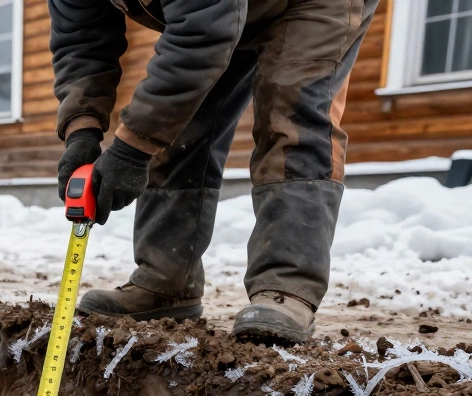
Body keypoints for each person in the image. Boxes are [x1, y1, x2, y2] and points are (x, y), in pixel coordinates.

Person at [50, 0, 379, 344]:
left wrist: (131, 150)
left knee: (293, 120)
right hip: (220, 13)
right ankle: (166, 282)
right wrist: (81, 132)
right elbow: (80, 41)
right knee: (181, 127)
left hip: (312, 4)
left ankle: (286, 288)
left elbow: (204, 32)